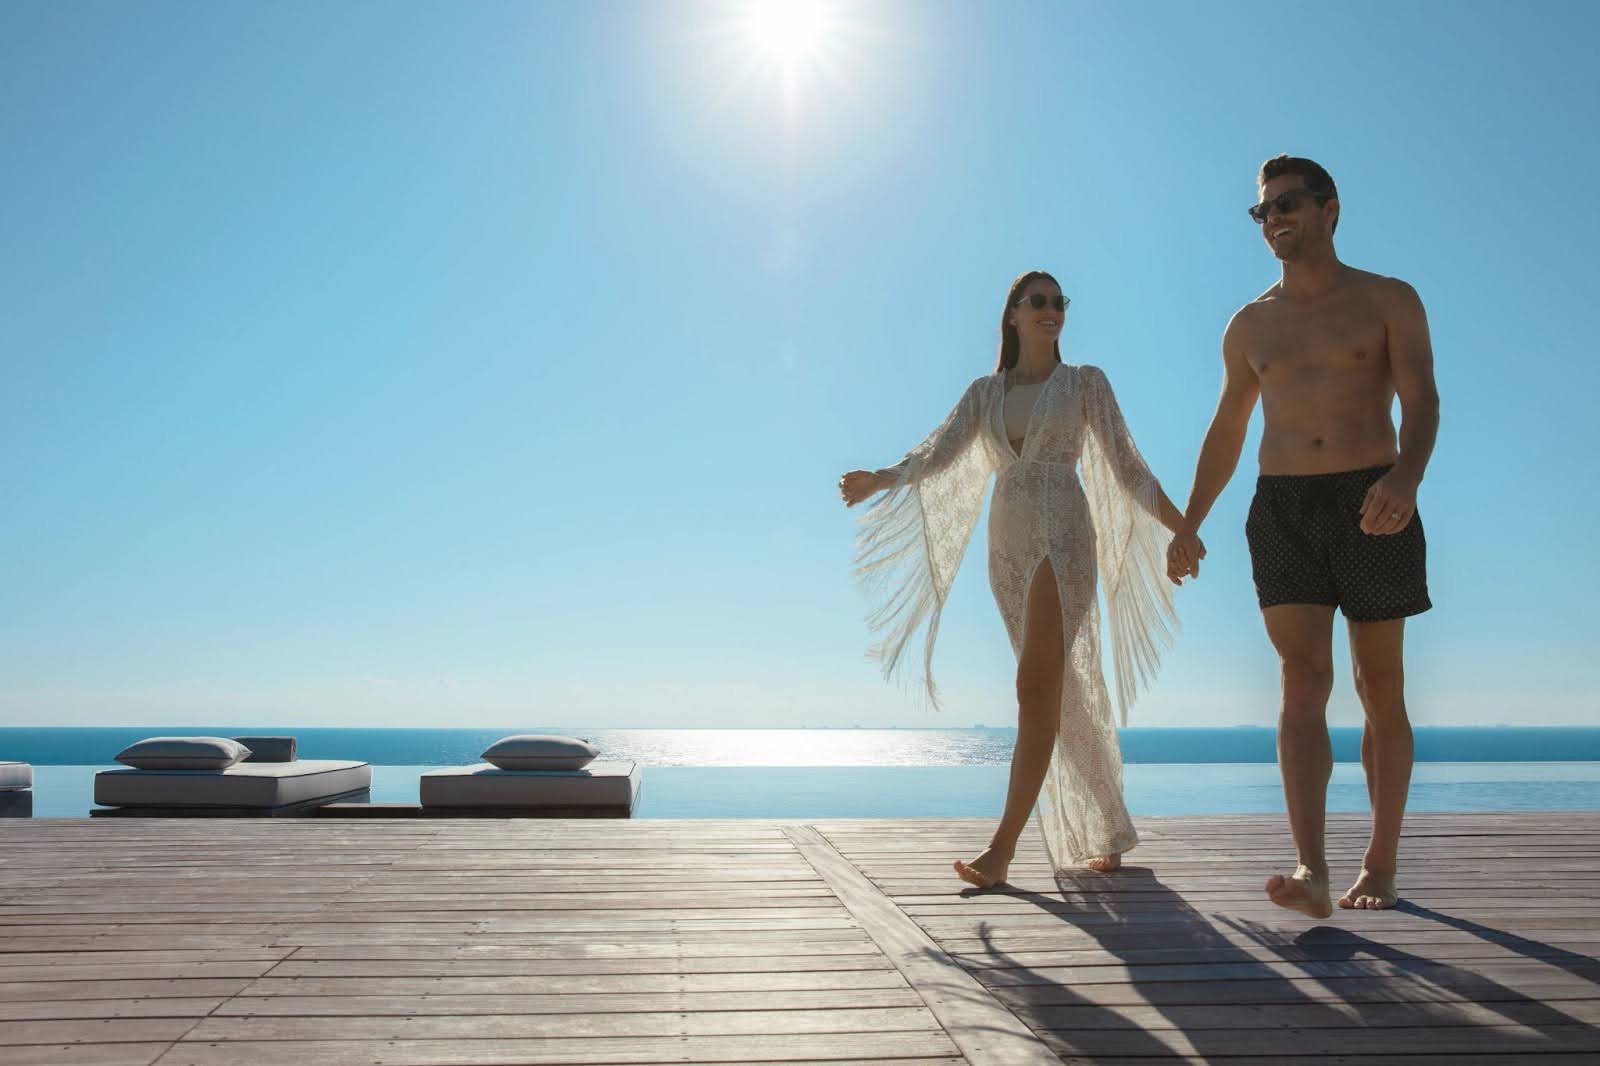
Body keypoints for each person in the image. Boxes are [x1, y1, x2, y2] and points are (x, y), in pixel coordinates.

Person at [840, 270, 1191, 886]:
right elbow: (937, 453)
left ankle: (1002, 850)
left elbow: (1129, 465)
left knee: (1034, 690)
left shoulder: (1085, 384)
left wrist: (1182, 528)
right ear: (1012, 314)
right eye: (1039, 302)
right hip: (1006, 547)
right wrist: (881, 477)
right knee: (1062, 692)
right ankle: (1109, 825)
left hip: (1064, 538)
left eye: (1060, 302)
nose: (1051, 310)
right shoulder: (985, 393)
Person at [1166, 155, 1440, 916]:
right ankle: (1313, 872)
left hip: (1373, 495)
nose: (1273, 219)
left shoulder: (1389, 299)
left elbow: (1421, 403)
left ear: (1330, 209)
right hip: (1281, 504)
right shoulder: (1250, 323)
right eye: (1261, 212)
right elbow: (1227, 430)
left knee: (1379, 686)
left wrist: (1405, 480)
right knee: (1300, 679)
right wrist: (1190, 521)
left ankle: (1379, 865)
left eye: (1287, 204)